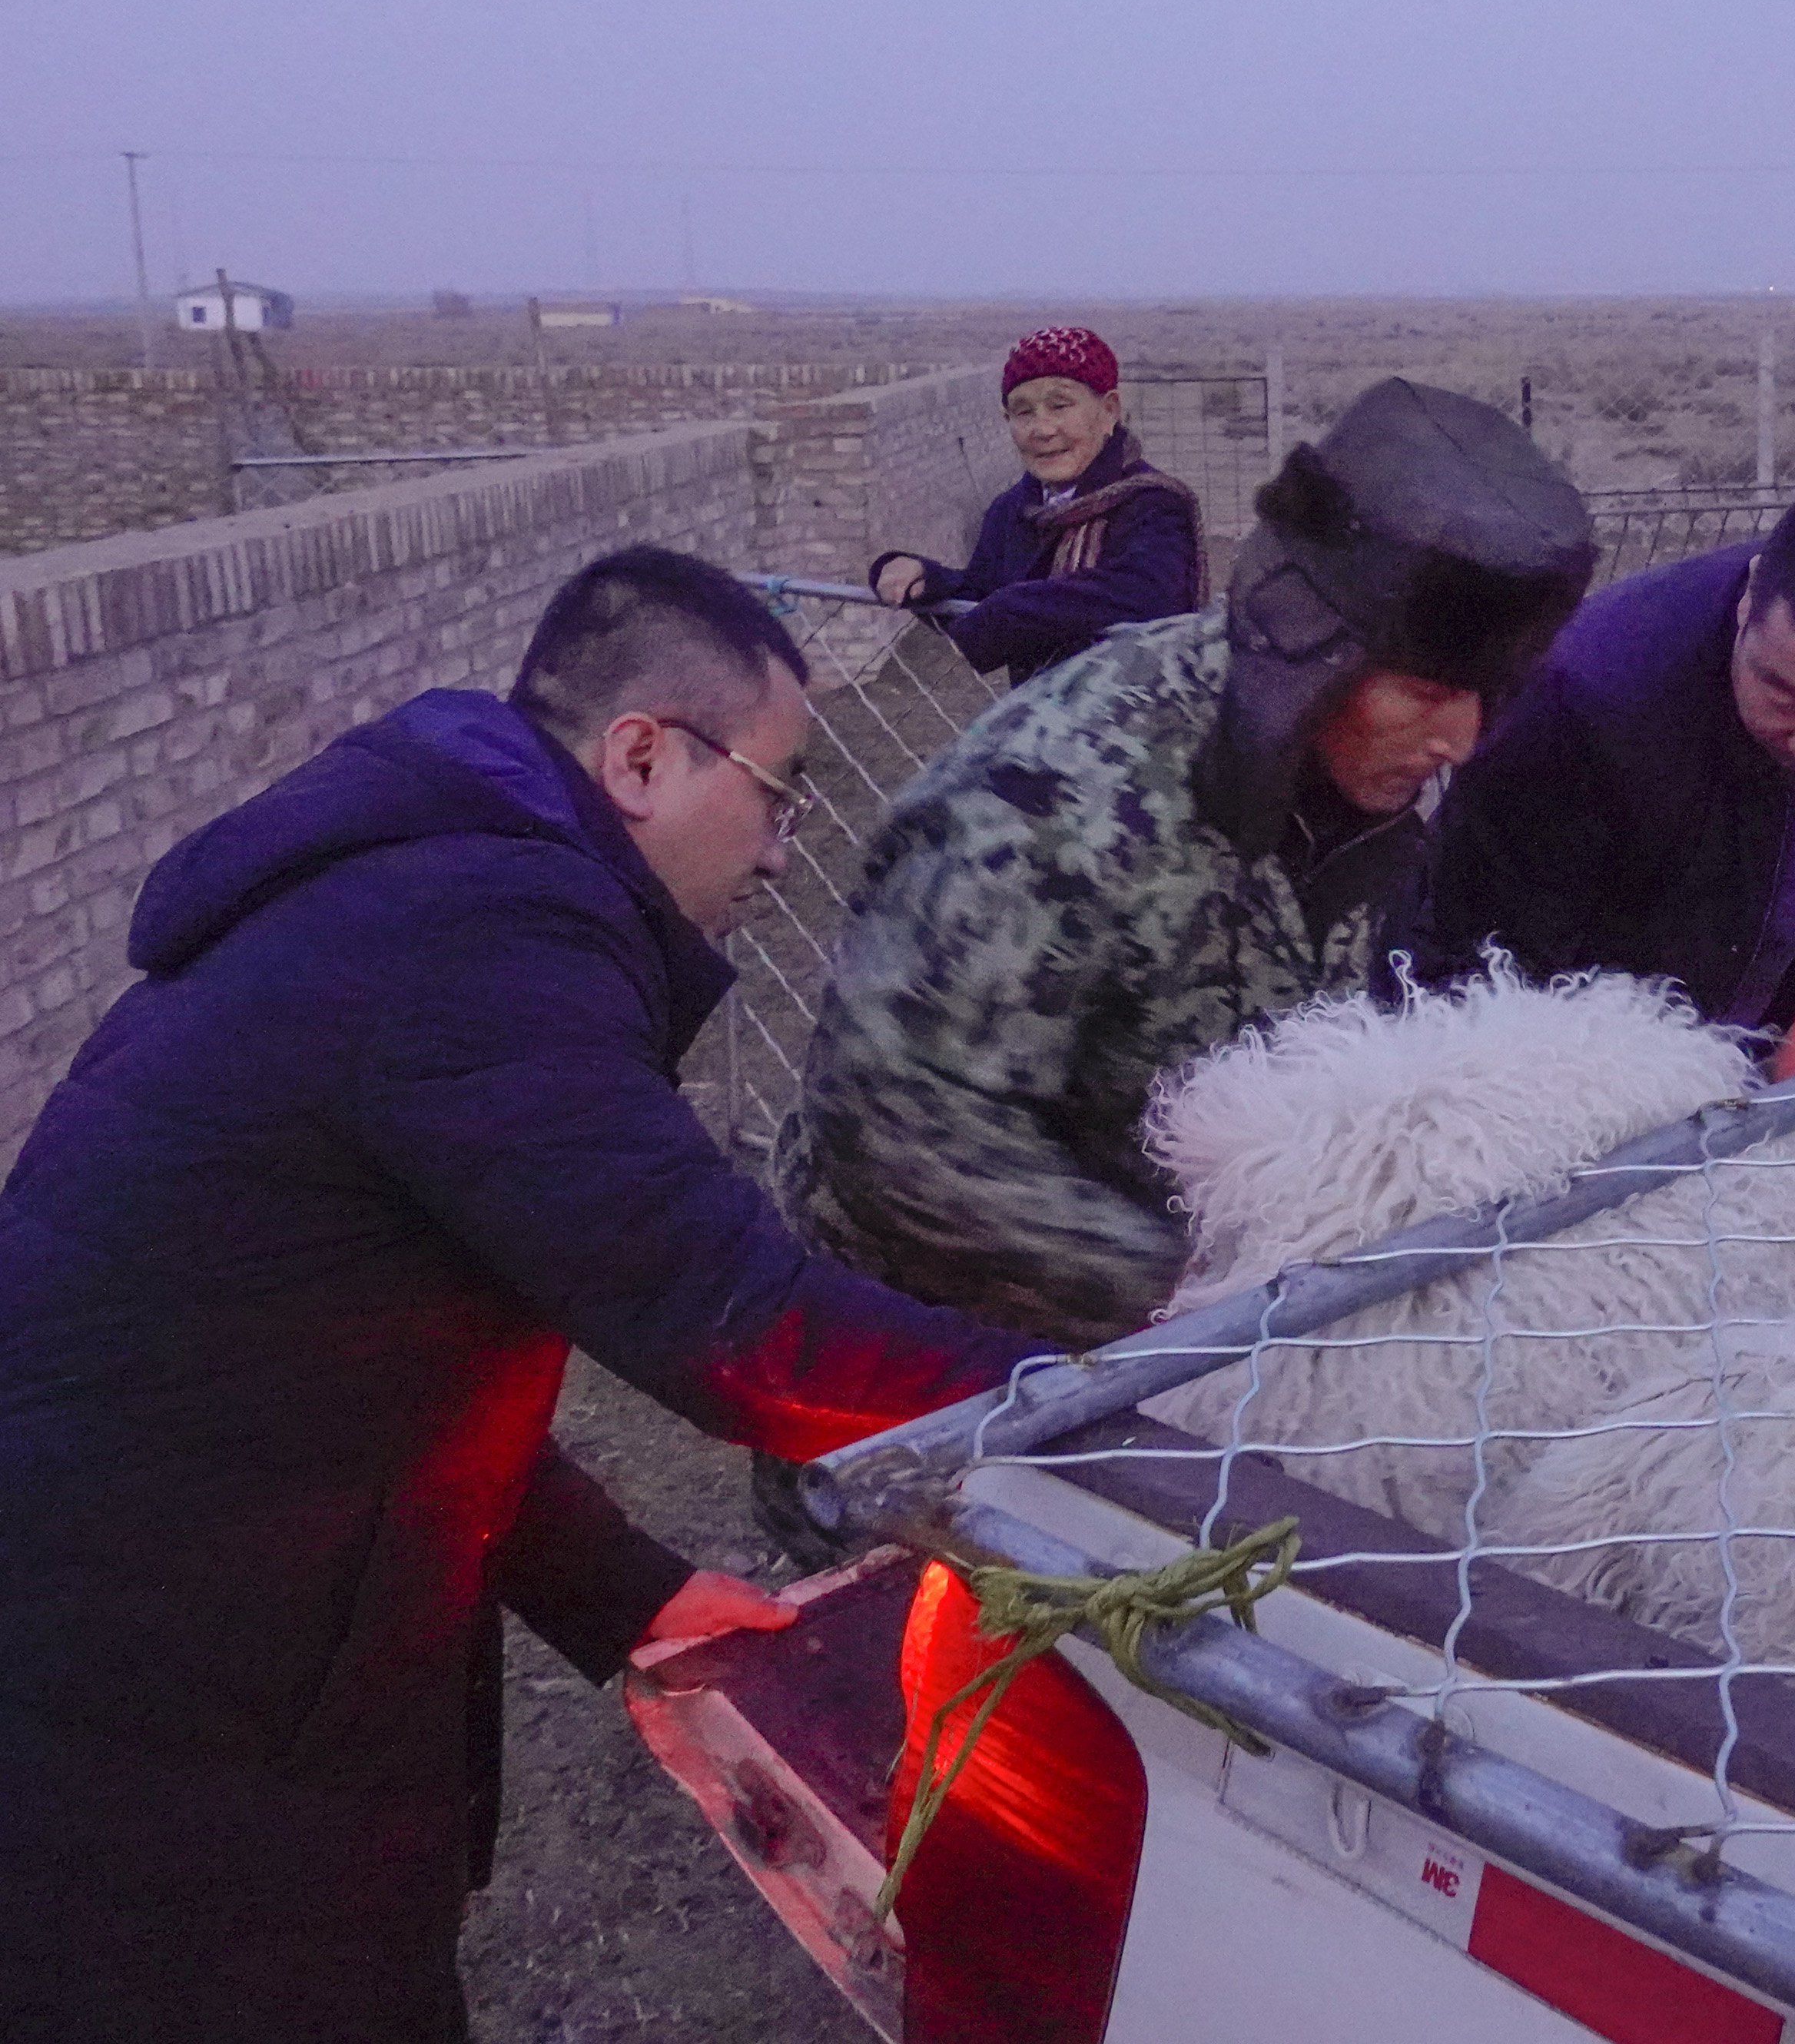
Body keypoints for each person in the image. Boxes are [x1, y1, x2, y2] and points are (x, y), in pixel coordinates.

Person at [0, 547, 1058, 2042]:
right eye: (775, 789)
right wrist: (1097, 1391)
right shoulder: (480, 933)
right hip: (160, 1701)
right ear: (641, 756)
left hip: (175, 1623)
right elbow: (734, 1324)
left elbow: (380, 1369)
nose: (779, 848)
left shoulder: (445, 892)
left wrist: (627, 1590)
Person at [775, 378, 1595, 1350]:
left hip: (1160, 1348)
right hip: (917, 1353)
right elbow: (895, 1133)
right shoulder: (1052, 797)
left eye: (1488, 694)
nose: (1458, 740)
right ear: (1312, 646)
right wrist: (1223, 1298)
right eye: (1423, 690)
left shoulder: (1363, 784)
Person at [1391, 477, 1795, 1054]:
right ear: (1750, 598)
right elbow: (1485, 968)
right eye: (1783, 694)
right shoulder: (1577, 702)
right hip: (1549, 1051)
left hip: (1723, 1040)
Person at [870, 325, 1203, 688]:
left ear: (1109, 411)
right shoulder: (1011, 511)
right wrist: (921, 577)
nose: (1042, 429)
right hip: (1043, 729)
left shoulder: (1153, 503)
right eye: (1023, 412)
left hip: (1136, 727)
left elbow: (1148, 596)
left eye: (1060, 406)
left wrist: (1015, 609)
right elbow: (982, 597)